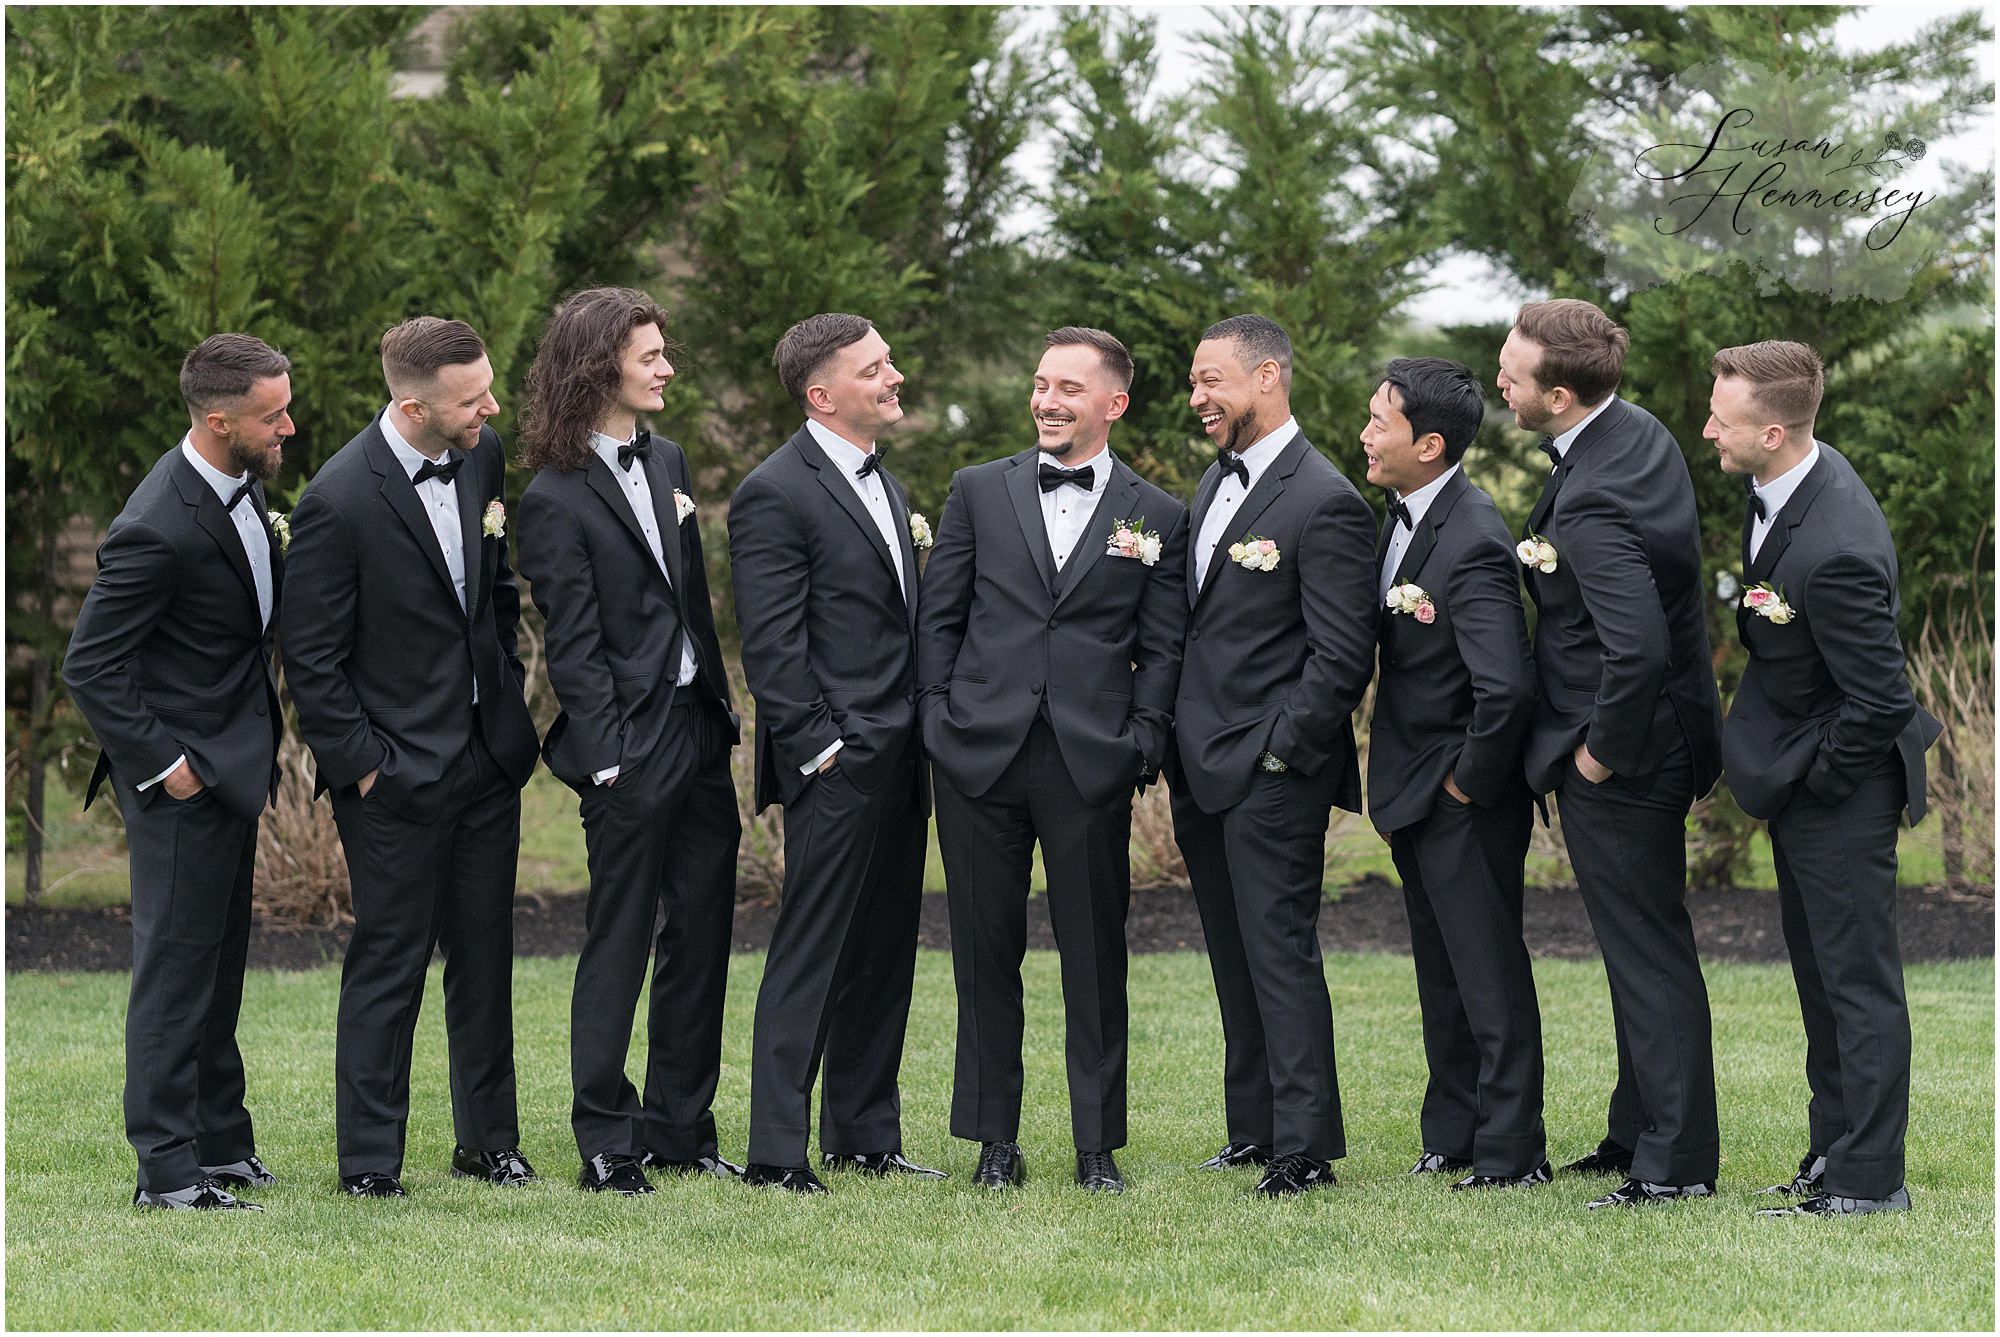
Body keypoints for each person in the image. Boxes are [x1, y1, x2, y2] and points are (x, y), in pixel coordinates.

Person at [918, 327, 1189, 1194]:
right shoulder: (977, 490)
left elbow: (1164, 645)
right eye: (1041, 384)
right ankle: (993, 1140)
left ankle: (1096, 1146)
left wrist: (1143, 739)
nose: (1047, 400)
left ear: (1114, 403)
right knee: (983, 954)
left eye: (1069, 388)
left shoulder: (1158, 514)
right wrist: (937, 718)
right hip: (979, 756)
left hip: (1090, 760)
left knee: (1095, 957)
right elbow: (940, 615)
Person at [283, 317, 541, 1198]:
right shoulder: (338, 499)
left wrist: (504, 695)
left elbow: (495, 592)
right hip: (391, 775)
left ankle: (489, 1142)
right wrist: (365, 766)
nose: (491, 408)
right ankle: (368, 1162)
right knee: (390, 962)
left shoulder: (482, 455)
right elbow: (311, 658)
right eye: (473, 399)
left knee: (486, 953)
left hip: (485, 757)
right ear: (412, 406)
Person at [1497, 298, 1724, 1209]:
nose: (1500, 383)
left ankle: (1675, 1164)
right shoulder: (1635, 432)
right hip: (1665, 733)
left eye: (1512, 373)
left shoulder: (1591, 497)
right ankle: (1636, 1131)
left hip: (1627, 752)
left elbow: (1639, 648)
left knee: (1647, 953)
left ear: (1558, 396)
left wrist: (1597, 755)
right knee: (1642, 944)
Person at [515, 288, 743, 1196]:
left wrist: (717, 710)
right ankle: (607, 1138)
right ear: (599, 364)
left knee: (703, 933)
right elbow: (571, 643)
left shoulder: (669, 458)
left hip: (698, 729)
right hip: (628, 747)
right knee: (619, 941)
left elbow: (688, 600)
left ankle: (682, 1128)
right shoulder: (551, 498)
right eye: (650, 355)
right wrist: (609, 758)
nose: (666, 368)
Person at [1705, 340, 1940, 1218]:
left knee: (1857, 984)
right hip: (1808, 770)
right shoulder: (1787, 481)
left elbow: (1882, 700)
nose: (1708, 432)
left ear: (1773, 432)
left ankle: (1869, 1182)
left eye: (1721, 421)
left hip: (1843, 788)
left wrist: (1817, 778)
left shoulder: (1836, 545)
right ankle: (1832, 1149)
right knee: (1819, 977)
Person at [64, 334, 292, 1211]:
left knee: (219, 965)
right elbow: (90, 665)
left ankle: (222, 1142)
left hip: (233, 771)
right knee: (174, 974)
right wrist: (169, 767)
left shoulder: (244, 483)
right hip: (183, 787)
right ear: (219, 420)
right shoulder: (156, 524)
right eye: (273, 416)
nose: (288, 428)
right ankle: (165, 1169)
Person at [729, 313, 939, 1193]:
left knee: (885, 950)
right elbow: (771, 647)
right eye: (874, 368)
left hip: (904, 759)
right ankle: (777, 1152)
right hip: (837, 764)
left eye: (888, 362)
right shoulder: (774, 491)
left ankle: (864, 1135)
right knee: (811, 954)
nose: (894, 377)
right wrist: (822, 750)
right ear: (821, 394)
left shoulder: (884, 481)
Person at [1171, 314, 1379, 1197]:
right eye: (1193, 382)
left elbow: (1342, 655)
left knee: (1280, 952)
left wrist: (1280, 754)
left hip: (1271, 774)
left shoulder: (1324, 498)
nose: (1197, 397)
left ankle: (1305, 1147)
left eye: (1211, 379)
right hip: (1198, 766)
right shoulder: (1212, 483)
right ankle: (1252, 1128)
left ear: (1267, 377)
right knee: (1232, 953)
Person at [1360, 357, 1546, 1190]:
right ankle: (1453, 1133)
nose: (1365, 436)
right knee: (1442, 974)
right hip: (1414, 790)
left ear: (1429, 444)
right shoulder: (1403, 517)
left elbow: (1504, 686)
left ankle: (1512, 1152)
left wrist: (1464, 785)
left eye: (1380, 423)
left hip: (1461, 799)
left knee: (1489, 975)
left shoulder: (1472, 537)